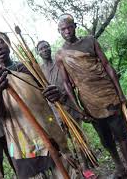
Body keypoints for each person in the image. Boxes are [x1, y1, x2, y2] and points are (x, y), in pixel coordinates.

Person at [0, 31, 80, 178]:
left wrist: (54, 93)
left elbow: (48, 91)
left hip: (47, 129)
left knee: (66, 172)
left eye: (0, 41)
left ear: (8, 42)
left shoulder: (27, 67)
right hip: (22, 141)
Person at [55, 14, 127, 178]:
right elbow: (66, 83)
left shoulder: (90, 41)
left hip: (108, 95)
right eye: (63, 29)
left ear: (75, 26)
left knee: (121, 134)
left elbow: (107, 65)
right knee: (105, 138)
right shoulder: (60, 55)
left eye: (69, 27)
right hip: (88, 101)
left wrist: (120, 93)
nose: (67, 31)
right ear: (59, 31)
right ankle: (120, 167)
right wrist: (78, 107)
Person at [36, 40, 95, 178]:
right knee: (63, 141)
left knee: (78, 137)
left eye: (46, 46)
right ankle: (75, 169)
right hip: (55, 110)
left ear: (50, 48)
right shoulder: (38, 70)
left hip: (69, 104)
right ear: (38, 52)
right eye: (41, 48)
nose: (45, 49)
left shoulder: (59, 61)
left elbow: (71, 80)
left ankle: (86, 168)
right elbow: (40, 92)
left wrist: (64, 94)